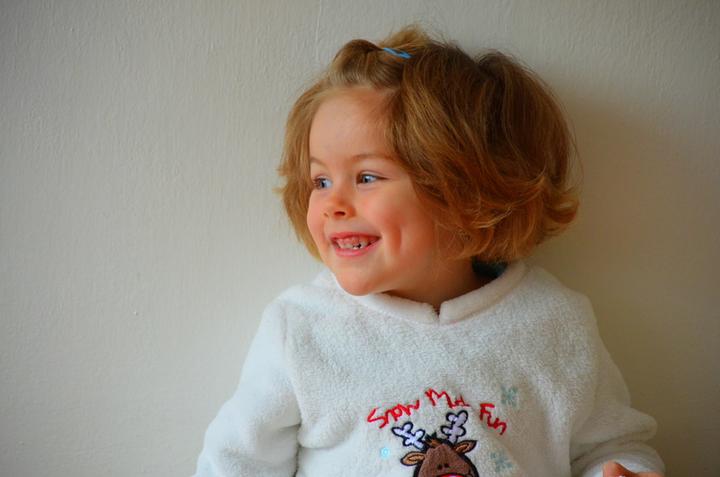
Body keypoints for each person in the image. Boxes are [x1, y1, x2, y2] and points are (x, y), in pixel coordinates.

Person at [193, 26, 665, 477]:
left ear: (464, 191)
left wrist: (624, 469)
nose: (332, 204)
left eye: (366, 177)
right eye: (320, 180)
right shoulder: (303, 329)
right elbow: (237, 464)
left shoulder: (552, 324)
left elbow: (609, 447)